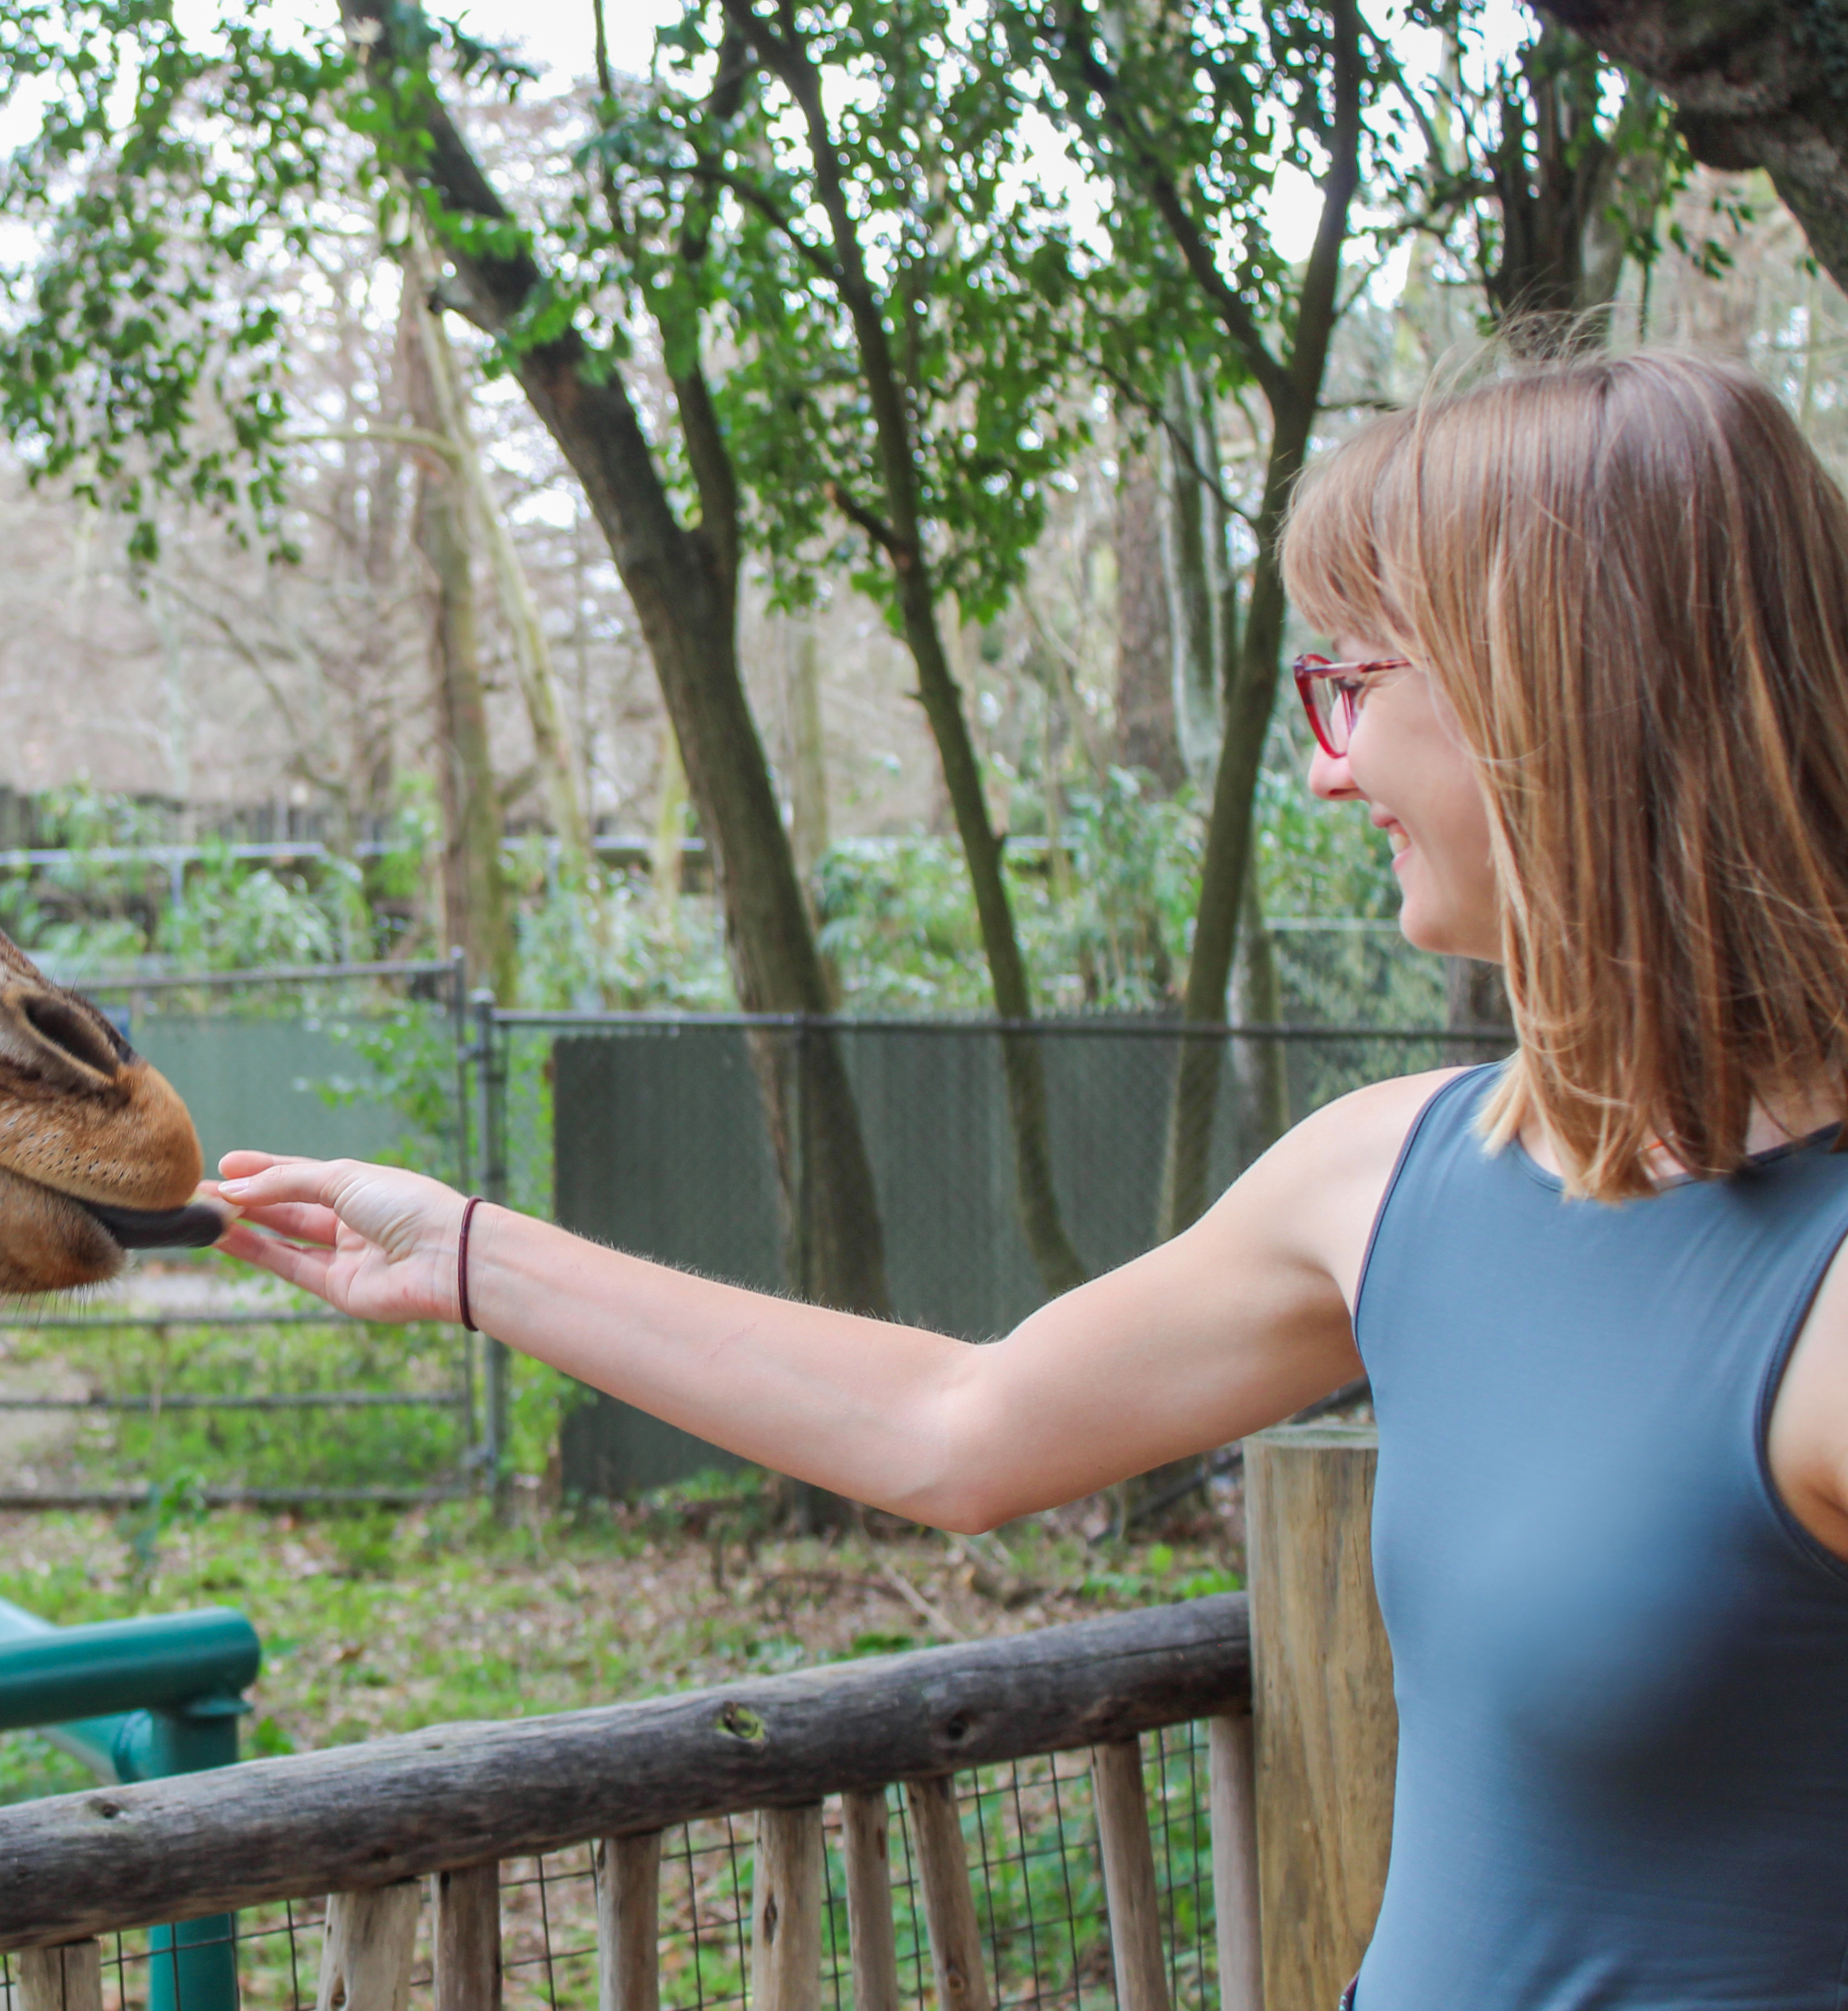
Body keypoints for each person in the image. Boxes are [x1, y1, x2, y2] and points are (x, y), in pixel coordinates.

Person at [207, 351, 1848, 2007]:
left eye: (1355, 687)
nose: (1330, 770)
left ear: (1556, 698)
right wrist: (466, 1255)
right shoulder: (1396, 1172)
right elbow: (958, 1428)